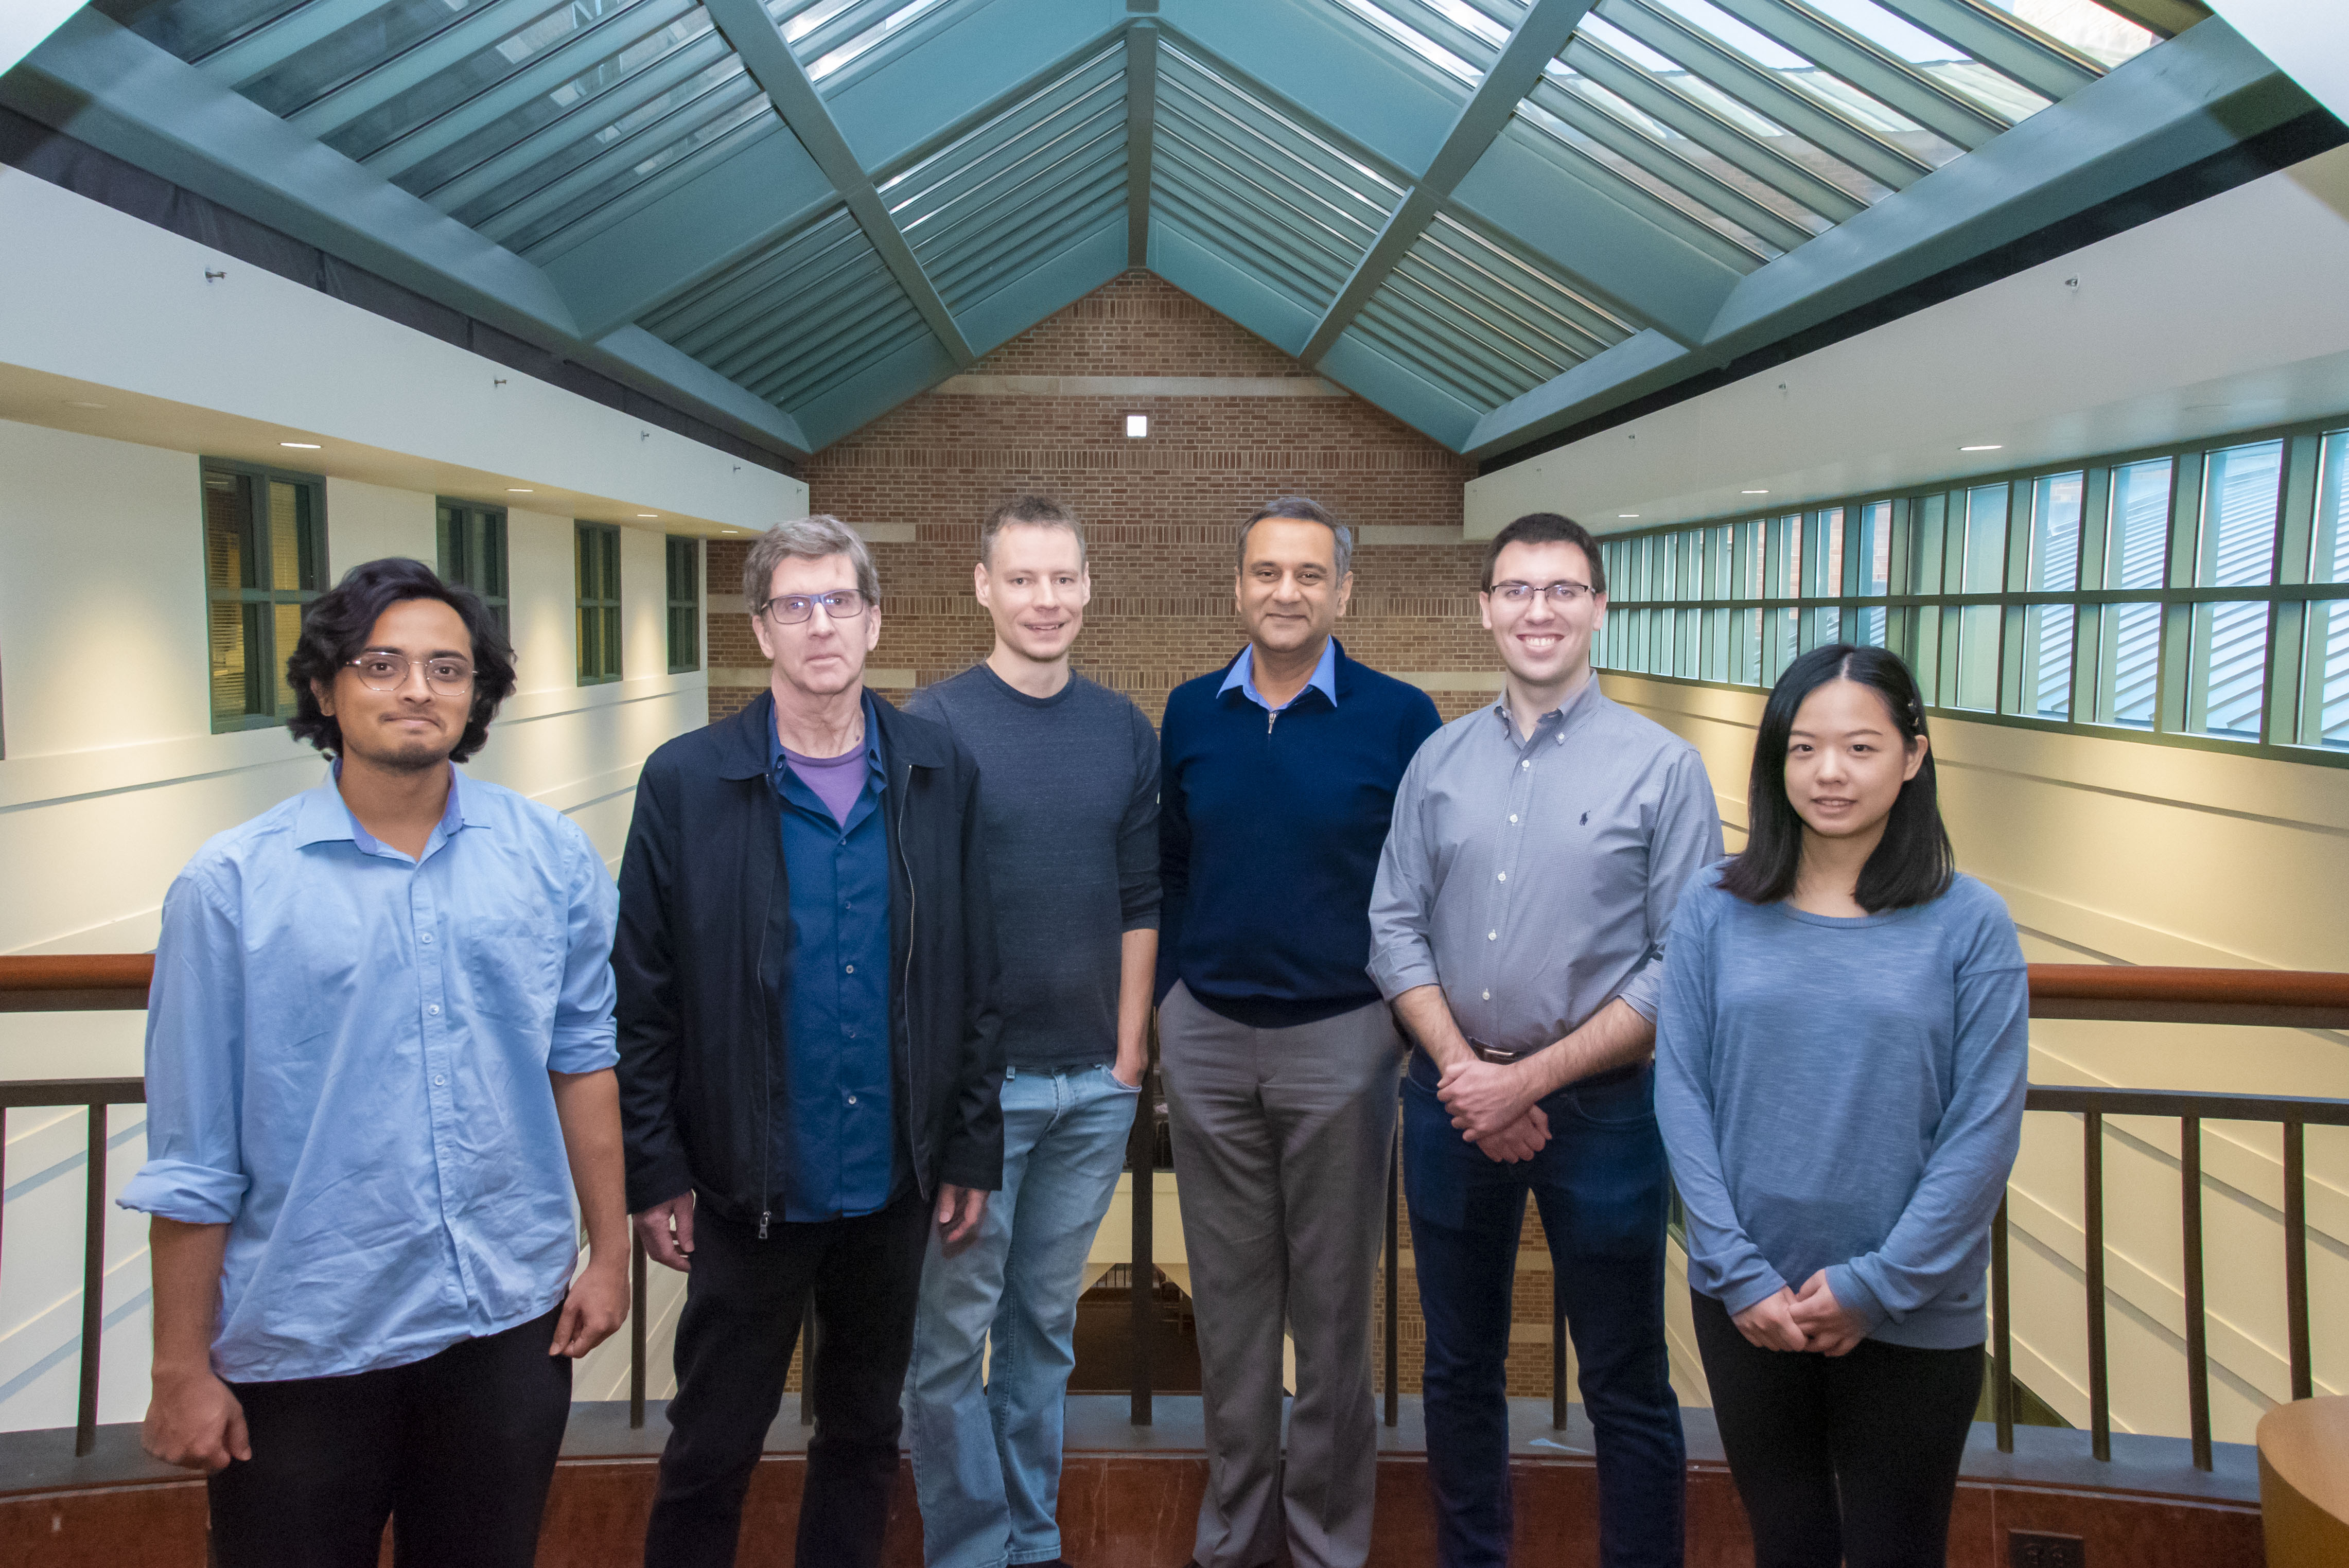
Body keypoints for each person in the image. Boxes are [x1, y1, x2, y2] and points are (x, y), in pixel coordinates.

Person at [123, 557, 629, 1568]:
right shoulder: (229, 890)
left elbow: (582, 1059)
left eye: (446, 668)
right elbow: (193, 1153)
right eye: (381, 664)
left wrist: (609, 1254)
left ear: (476, 692)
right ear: (326, 688)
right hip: (308, 1344)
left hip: (504, 1323)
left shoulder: (550, 857)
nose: (416, 689)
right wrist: (179, 1365)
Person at [616, 515, 1003, 1568]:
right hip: (749, 1192)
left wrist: (969, 1146)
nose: (819, 624)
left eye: (839, 601)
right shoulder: (687, 783)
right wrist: (650, 1168)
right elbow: (642, 995)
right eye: (796, 605)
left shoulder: (936, 770)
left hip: (891, 1183)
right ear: (761, 629)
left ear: (874, 621)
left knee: (863, 1439)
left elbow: (973, 975)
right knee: (709, 1451)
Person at [1368, 512, 1720, 1568]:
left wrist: (1531, 1081)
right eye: (1516, 590)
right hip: (1450, 1106)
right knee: (1458, 1368)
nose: (1538, 610)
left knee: (1624, 1379)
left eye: (1561, 590)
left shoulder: (1663, 770)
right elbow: (1390, 927)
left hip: (1605, 1115)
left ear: (1598, 609)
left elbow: (1680, 963)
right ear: (1483, 610)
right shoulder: (1436, 761)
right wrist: (1471, 1076)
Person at [1655, 643, 2028, 1568]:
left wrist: (1877, 1285)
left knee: (1899, 1552)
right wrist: (1735, 1270)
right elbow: (1682, 1089)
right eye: (1804, 747)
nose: (1829, 773)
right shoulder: (1714, 905)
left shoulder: (1969, 921)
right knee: (1788, 1547)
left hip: (1914, 1307)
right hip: (1750, 1301)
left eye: (1861, 748)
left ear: (1914, 755)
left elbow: (1982, 1128)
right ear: (1776, 760)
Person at [1155, 496, 1441, 1568]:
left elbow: (1421, 884)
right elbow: (1172, 867)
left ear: (1343, 591)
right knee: (1229, 1320)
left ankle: (1324, 1541)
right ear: (1237, 587)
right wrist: (1171, 1001)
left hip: (1343, 1042)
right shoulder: (1189, 712)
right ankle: (1230, 1538)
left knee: (1329, 1321)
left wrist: (1397, 1022)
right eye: (1266, 573)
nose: (1286, 592)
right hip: (1210, 1042)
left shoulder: (1398, 717)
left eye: (1308, 575)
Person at [901, 496, 1161, 1568]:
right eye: (1022, 580)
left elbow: (1141, 897)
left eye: (1062, 579)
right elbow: (912, 914)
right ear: (982, 587)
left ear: (1088, 586)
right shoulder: (935, 726)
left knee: (1041, 1333)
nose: (1044, 600)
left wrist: (1130, 1055)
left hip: (1093, 1092)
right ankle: (970, 1550)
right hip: (980, 1098)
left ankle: (1033, 1539)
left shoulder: (1121, 729)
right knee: (950, 1341)